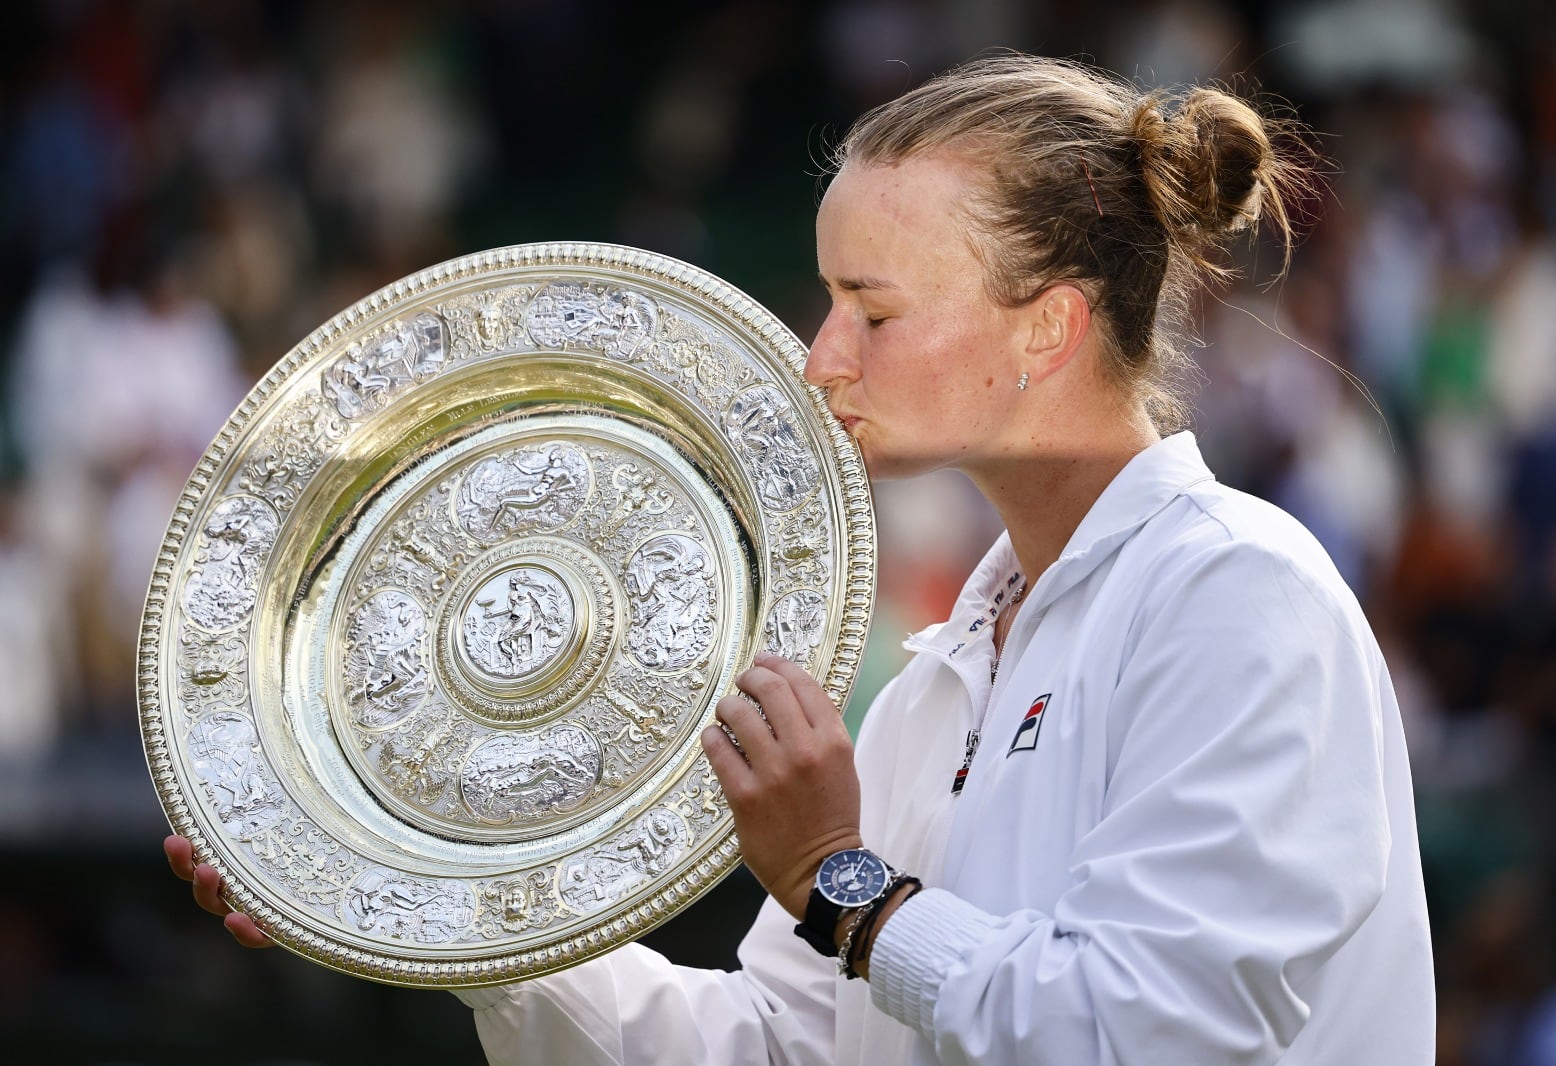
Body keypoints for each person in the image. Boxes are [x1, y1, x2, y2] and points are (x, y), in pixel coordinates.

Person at [166, 54, 1436, 1064]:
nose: (820, 357)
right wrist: (423, 902)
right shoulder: (941, 677)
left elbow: (1157, 1034)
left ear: (1047, 326)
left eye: (872, 311)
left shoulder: (1237, 596)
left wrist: (846, 887)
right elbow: (775, 1047)